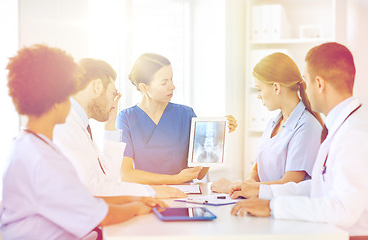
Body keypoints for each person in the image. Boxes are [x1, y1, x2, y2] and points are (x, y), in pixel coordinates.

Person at [0, 44, 166, 240]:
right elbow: (100, 215)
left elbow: (83, 200)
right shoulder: (42, 159)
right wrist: (137, 207)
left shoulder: (31, 146)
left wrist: (135, 199)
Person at [230, 42, 368, 238]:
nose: (305, 89)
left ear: (319, 84)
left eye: (307, 81)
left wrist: (274, 207)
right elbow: (318, 187)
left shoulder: (355, 134)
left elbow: (342, 210)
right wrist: (264, 195)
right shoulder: (340, 127)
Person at [53, 58, 185, 198]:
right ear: (96, 87)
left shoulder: (80, 125)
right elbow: (92, 188)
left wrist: (110, 125)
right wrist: (150, 191)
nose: (114, 101)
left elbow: (108, 177)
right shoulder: (64, 126)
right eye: (113, 93)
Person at [211, 52, 323, 196]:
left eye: (259, 89)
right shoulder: (273, 123)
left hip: (287, 210)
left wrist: (237, 186)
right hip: (262, 205)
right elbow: (258, 168)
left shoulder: (307, 127)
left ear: (276, 87)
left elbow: (289, 184)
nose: (258, 95)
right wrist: (249, 181)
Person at [116, 53, 237, 184]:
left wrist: (217, 135)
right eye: (164, 82)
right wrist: (176, 179)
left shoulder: (186, 114)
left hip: (183, 197)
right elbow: (126, 174)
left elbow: (200, 174)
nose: (172, 86)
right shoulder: (126, 118)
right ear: (144, 87)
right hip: (148, 196)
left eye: (171, 79)